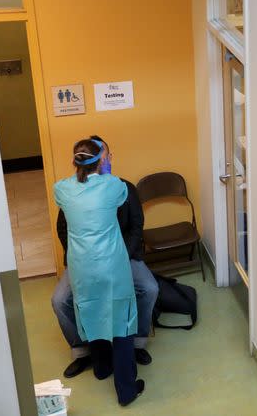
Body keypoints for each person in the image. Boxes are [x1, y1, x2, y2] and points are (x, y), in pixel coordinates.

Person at [52, 136, 157, 380]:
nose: (105, 160)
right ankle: (82, 349)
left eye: (107, 155)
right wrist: (80, 255)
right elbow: (62, 229)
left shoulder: (124, 187)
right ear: (100, 161)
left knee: (149, 288)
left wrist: (123, 256)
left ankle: (137, 344)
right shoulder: (73, 191)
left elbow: (136, 227)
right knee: (59, 300)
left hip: (122, 257)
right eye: (102, 157)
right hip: (84, 260)